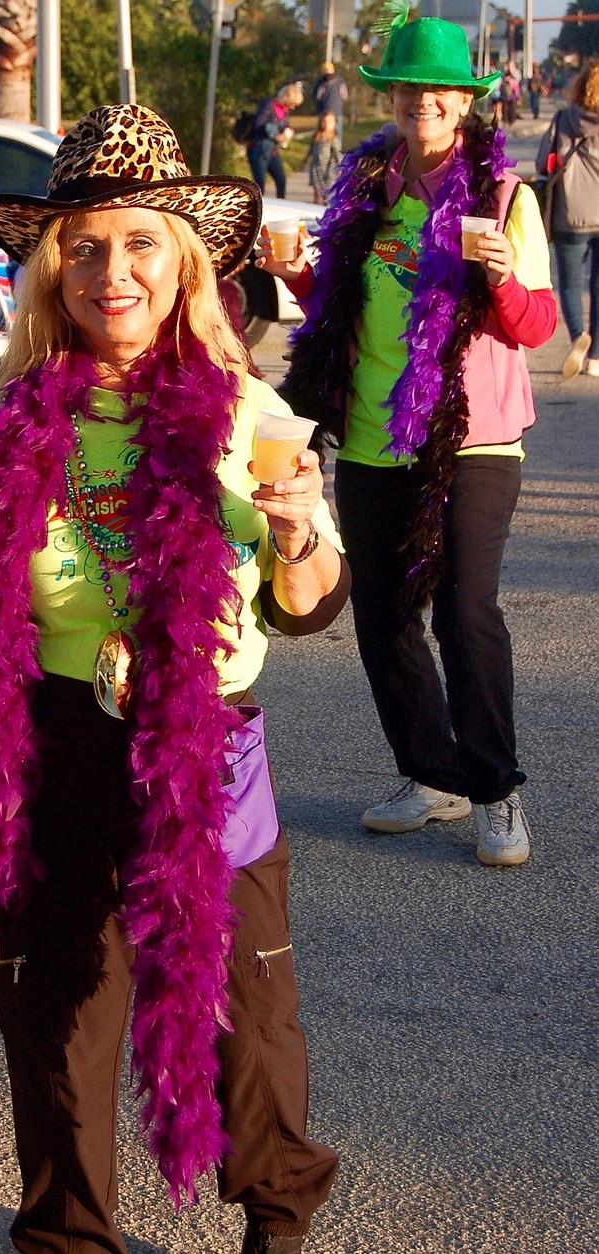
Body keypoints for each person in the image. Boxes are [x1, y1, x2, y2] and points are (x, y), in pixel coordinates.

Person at [0, 104, 348, 1254]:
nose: (112, 275)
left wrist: (301, 526)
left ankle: (276, 1217)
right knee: (53, 1022)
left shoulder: (246, 408)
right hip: (45, 749)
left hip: (206, 750)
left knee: (242, 1006)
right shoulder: (15, 417)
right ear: (53, 269)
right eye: (84, 249)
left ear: (183, 264)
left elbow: (310, 603)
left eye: (139, 245)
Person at [258, 5, 558, 868]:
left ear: (463, 102)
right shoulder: (363, 192)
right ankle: (432, 774)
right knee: (384, 612)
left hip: (474, 438)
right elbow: (343, 308)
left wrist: (498, 276)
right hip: (371, 432)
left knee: (466, 613)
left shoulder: (506, 197)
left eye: (437, 89)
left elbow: (536, 327)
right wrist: (300, 275)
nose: (420, 101)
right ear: (389, 96)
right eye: (405, 87)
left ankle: (496, 791)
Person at [536, 56, 599, 379]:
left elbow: (541, 164)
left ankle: (578, 339)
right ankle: (596, 358)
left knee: (571, 285)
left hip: (569, 215)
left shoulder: (563, 120)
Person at [246, 81, 305, 197]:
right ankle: (257, 210)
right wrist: (276, 135)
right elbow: (258, 124)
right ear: (286, 98)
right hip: (259, 149)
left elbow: (285, 125)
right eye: (291, 104)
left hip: (272, 151)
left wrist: (289, 131)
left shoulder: (284, 110)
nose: (292, 107)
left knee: (281, 180)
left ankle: (281, 205)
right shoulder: (268, 105)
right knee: (259, 185)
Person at [305, 110, 342, 205]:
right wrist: (305, 160)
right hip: (316, 168)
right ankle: (315, 210)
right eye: (324, 121)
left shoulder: (333, 138)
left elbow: (338, 153)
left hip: (328, 170)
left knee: (327, 194)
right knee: (317, 192)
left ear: (334, 124)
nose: (326, 124)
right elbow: (310, 149)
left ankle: (327, 213)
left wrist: (340, 168)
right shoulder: (317, 136)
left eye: (329, 122)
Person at [312, 61, 349, 144]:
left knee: (337, 132)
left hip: (337, 111)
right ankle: (322, 147)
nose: (328, 71)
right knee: (322, 131)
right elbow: (316, 96)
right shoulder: (320, 82)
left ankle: (337, 150)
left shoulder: (340, 81)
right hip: (323, 112)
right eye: (326, 69)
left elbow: (344, 95)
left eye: (329, 69)